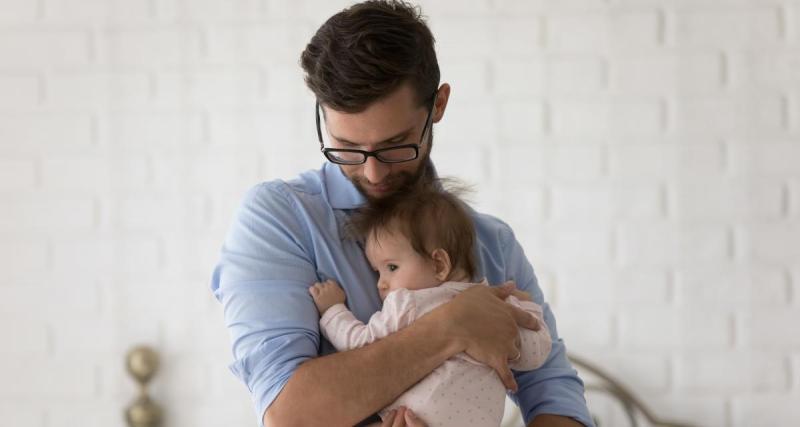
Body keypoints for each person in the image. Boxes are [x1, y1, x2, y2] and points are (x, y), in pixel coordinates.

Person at [210, 1, 593, 426]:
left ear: (439, 105)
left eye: (396, 144)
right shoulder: (280, 220)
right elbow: (289, 414)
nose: (372, 171)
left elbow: (556, 395)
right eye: (347, 147)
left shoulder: (490, 242)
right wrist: (452, 325)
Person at [309, 183, 553, 426]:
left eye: (391, 267)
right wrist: (527, 309)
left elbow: (359, 344)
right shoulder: (494, 304)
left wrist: (333, 310)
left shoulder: (406, 303)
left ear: (439, 264)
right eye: (377, 272)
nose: (381, 284)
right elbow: (535, 356)